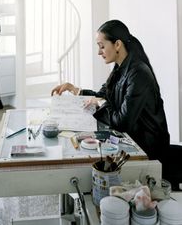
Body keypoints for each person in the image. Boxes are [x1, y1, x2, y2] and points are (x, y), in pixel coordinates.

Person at [51, 19, 170, 161]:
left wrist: (100, 102)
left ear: (117, 44)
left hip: (147, 148)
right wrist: (74, 89)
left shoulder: (138, 73)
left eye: (101, 46)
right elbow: (103, 95)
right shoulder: (121, 67)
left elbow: (121, 122)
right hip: (132, 139)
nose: (98, 52)